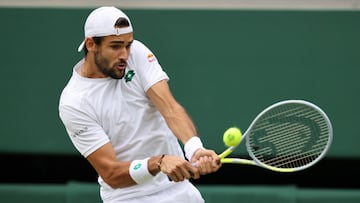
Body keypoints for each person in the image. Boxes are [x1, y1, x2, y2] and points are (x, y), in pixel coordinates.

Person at [58, 6, 221, 203]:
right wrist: (158, 163)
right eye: (115, 46)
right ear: (91, 44)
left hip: (180, 191)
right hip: (130, 198)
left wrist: (195, 149)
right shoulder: (73, 102)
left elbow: (170, 108)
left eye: (128, 45)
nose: (125, 55)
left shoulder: (137, 53)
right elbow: (111, 173)